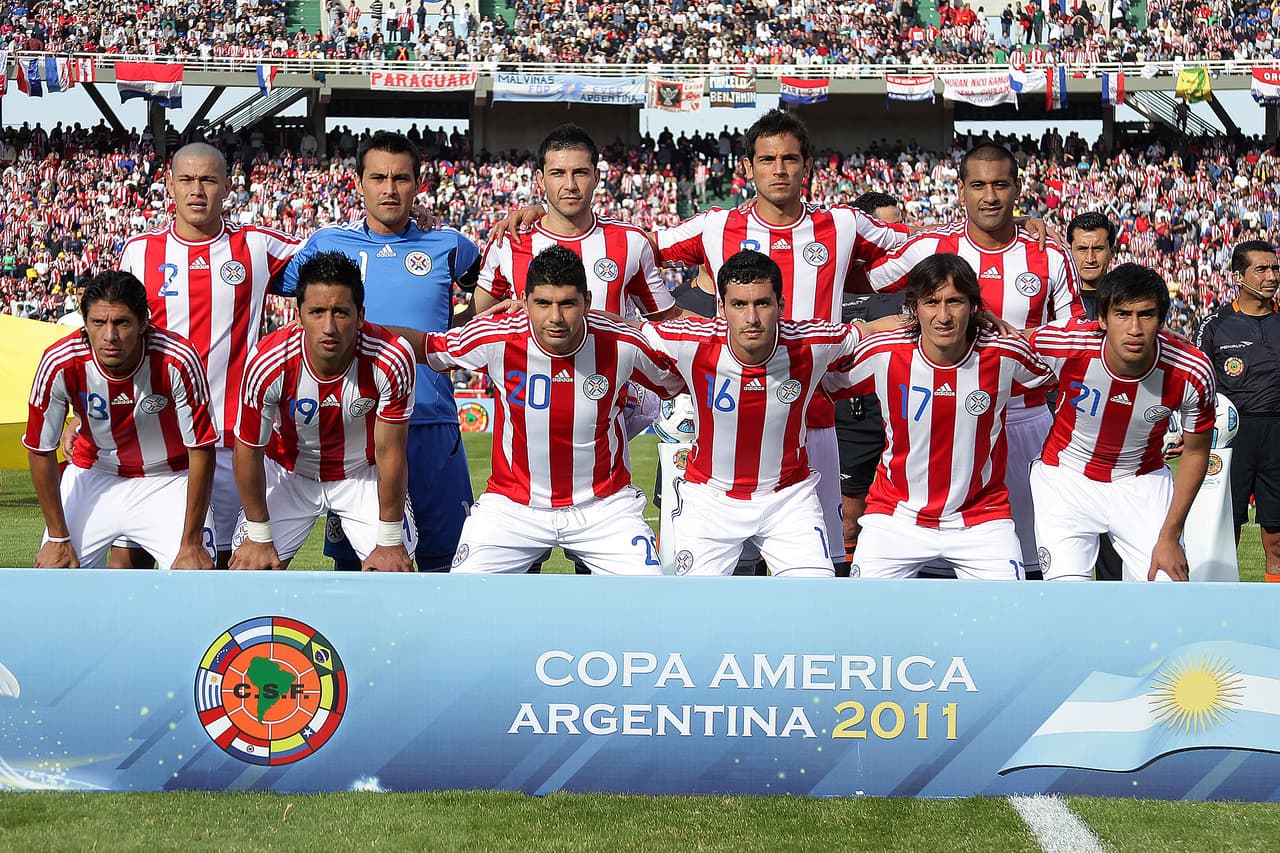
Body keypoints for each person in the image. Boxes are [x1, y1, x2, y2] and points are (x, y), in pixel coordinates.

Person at [861, 143, 1084, 579]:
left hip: (1024, 420)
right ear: (960, 189)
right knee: (922, 542)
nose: (990, 197)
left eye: (1000, 185)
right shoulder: (932, 245)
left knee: (1028, 562)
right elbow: (861, 275)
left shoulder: (1049, 254)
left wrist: (1017, 339)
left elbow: (1077, 338)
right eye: (978, 185)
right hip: (938, 412)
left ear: (1017, 189)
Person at [395, 245, 683, 574]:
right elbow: (427, 346)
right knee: (465, 599)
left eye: (567, 304)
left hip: (605, 508)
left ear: (587, 302)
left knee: (648, 600)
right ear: (525, 301)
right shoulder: (497, 335)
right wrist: (358, 334)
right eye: (543, 304)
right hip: (512, 506)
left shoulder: (622, 342)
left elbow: (685, 376)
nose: (555, 318)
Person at [283, 131, 480, 573]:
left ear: (418, 184)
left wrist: (451, 344)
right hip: (357, 433)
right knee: (358, 566)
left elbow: (489, 292)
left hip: (431, 422)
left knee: (443, 564)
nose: (389, 189)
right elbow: (264, 278)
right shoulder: (326, 245)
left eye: (401, 178)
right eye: (378, 178)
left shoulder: (451, 244)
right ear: (358, 182)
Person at [116, 142, 303, 568]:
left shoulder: (256, 246)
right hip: (159, 437)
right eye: (186, 179)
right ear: (170, 185)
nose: (196, 190)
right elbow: (111, 340)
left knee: (232, 564)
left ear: (227, 186)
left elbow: (340, 255)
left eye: (207, 180)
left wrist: (408, 222)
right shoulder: (139, 252)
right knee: (128, 561)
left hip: (232, 441)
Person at [639, 250, 878, 577]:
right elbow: (623, 333)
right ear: (721, 308)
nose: (751, 317)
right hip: (709, 499)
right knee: (694, 612)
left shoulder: (814, 341)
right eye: (738, 304)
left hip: (787, 499)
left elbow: (873, 334)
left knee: (816, 600)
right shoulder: (690, 340)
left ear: (780, 304)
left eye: (762, 303)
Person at [824, 254, 1055, 580]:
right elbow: (821, 381)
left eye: (955, 302)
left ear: (975, 306)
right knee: (866, 620)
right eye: (931, 302)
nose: (943, 315)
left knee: (1007, 621)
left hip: (982, 520)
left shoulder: (1003, 354)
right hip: (895, 517)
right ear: (913, 307)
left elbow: (1073, 365)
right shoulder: (883, 353)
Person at [229, 252, 417, 572]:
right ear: (299, 316)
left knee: (392, 573)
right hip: (288, 471)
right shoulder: (268, 360)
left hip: (361, 472)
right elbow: (248, 450)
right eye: (317, 312)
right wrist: (259, 536)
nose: (328, 326)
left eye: (340, 312)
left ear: (361, 316)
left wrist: (388, 539)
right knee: (250, 572)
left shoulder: (392, 357)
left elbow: (390, 453)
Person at [1030, 264, 1216, 582]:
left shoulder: (1192, 370)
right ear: (1101, 318)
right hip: (1065, 479)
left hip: (1141, 482)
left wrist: (1170, 535)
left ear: (1162, 320)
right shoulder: (1065, 343)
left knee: (1169, 587)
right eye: (1122, 314)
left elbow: (1197, 452)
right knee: (1065, 595)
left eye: (1146, 315)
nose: (1134, 328)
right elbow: (1002, 347)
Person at [24, 270, 217, 569]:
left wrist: (191, 542)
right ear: (84, 322)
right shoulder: (59, 362)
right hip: (94, 475)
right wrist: (58, 538)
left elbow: (202, 448)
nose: (109, 336)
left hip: (170, 479)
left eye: (121, 323)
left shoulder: (177, 358)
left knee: (195, 575)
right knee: (55, 574)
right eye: (98, 323)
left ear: (143, 323)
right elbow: (40, 449)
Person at [471, 124, 680, 323]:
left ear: (596, 177)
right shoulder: (507, 242)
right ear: (540, 180)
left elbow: (667, 321)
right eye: (558, 173)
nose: (570, 185)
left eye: (580, 173)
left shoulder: (631, 241)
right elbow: (472, 320)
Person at [1194, 240, 1280, 582]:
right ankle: (1226, 613)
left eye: (1274, 268)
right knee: (1226, 529)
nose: (1271, 276)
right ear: (1238, 276)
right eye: (1261, 269)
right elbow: (1198, 385)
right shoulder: (1214, 325)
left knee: (1276, 537)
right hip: (1232, 438)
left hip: (1276, 435)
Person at [835, 191, 907, 568]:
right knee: (848, 519)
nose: (894, 234)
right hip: (849, 417)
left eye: (899, 223)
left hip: (904, 413)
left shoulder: (913, 281)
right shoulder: (832, 278)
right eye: (886, 225)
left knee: (901, 517)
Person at [1066, 211, 1125, 581]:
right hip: (1057, 433)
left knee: (1112, 544)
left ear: (1111, 250)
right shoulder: (1054, 298)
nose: (1089, 257)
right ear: (1067, 249)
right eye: (1081, 248)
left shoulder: (1128, 299)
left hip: (1113, 436)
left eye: (1098, 248)